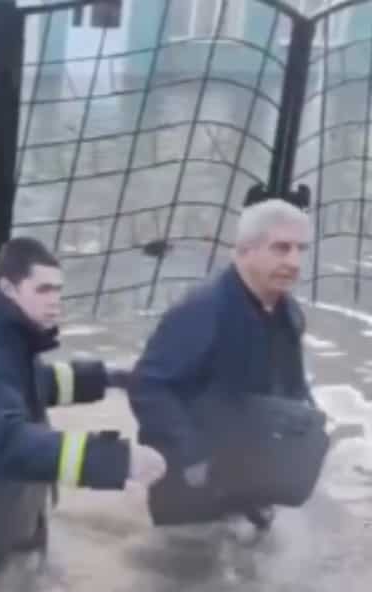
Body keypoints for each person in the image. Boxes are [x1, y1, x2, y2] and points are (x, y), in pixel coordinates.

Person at [0, 237, 166, 592]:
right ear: (8, 288)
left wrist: (111, 378)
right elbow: (10, 444)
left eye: (57, 289)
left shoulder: (8, 348)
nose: (54, 301)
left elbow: (37, 384)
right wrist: (117, 460)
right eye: (42, 289)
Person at [128, 198, 316, 531]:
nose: (294, 261)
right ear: (244, 250)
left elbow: (293, 388)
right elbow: (147, 386)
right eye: (281, 248)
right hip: (189, 475)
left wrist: (307, 434)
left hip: (246, 467)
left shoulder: (289, 314)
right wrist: (193, 455)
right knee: (186, 569)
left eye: (301, 249)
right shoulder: (203, 311)